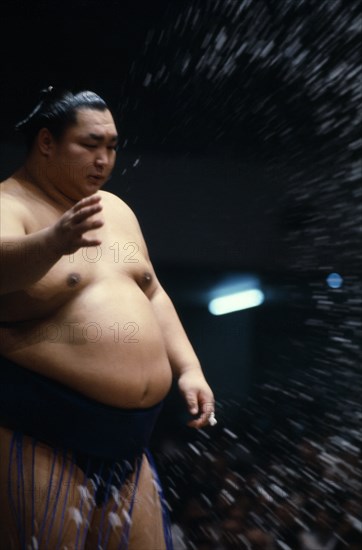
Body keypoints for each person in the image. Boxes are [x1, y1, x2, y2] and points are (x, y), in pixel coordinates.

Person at [0, 86, 215, 549]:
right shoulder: (9, 205)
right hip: (39, 431)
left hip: (130, 443)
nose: (104, 159)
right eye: (90, 144)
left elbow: (152, 290)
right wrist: (53, 241)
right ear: (46, 142)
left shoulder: (115, 209)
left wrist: (190, 368)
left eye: (112, 146)